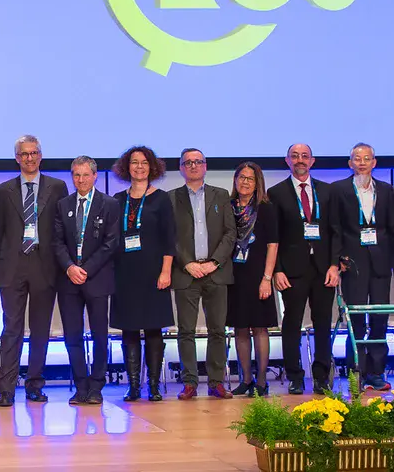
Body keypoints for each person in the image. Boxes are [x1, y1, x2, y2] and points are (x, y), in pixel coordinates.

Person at [0, 135, 69, 407]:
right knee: (11, 330)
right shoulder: (3, 191)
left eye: (34, 153)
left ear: (40, 155)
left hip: (44, 266)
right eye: (24, 154)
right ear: (17, 158)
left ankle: (35, 384)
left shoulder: (57, 187)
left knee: (40, 330)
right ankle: (7, 389)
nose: (29, 158)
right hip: (12, 268)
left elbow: (62, 230)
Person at [330, 143, 394, 392]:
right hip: (353, 264)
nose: (362, 163)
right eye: (357, 159)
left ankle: (377, 372)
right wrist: (338, 259)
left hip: (381, 263)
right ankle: (356, 372)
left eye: (366, 159)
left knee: (380, 319)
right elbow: (335, 229)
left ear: (374, 163)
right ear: (350, 163)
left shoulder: (386, 190)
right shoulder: (338, 190)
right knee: (356, 320)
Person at [268, 144, 338, 395]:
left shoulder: (327, 191)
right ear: (287, 160)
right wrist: (276, 269)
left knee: (322, 323)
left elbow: (335, 231)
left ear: (313, 161)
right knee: (292, 323)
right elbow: (272, 235)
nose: (300, 160)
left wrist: (334, 265)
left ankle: (321, 376)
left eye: (305, 156)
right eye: (295, 156)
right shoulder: (275, 193)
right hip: (291, 269)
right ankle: (295, 376)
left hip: (323, 269)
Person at [52, 156, 121, 405]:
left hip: (98, 279)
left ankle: (97, 386)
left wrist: (87, 269)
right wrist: (70, 268)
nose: (80, 180)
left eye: (85, 175)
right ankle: (80, 386)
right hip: (69, 281)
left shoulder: (109, 204)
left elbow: (111, 242)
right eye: (76, 175)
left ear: (94, 176)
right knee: (72, 336)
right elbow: (56, 241)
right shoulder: (63, 205)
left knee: (100, 335)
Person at [170, 148, 237, 400]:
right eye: (188, 163)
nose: (193, 166)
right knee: (185, 330)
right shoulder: (171, 198)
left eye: (198, 162)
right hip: (186, 272)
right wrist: (187, 263)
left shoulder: (220, 196)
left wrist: (214, 262)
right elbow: (171, 237)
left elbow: (230, 233)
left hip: (215, 272)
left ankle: (216, 382)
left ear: (205, 166)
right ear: (181, 168)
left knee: (217, 330)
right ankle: (189, 382)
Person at [112, 146, 175, 402]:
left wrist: (166, 271)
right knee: (128, 329)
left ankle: (154, 386)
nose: (139, 167)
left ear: (152, 167)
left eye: (144, 162)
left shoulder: (161, 199)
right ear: (127, 167)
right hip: (124, 274)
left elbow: (170, 239)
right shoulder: (117, 199)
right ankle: (134, 386)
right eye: (134, 162)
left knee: (153, 330)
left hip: (153, 273)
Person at [224, 162, 278, 398]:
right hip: (234, 274)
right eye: (241, 178)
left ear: (258, 183)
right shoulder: (227, 207)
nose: (245, 182)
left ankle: (262, 380)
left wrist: (267, 278)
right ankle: (246, 379)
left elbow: (273, 245)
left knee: (259, 327)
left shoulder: (266, 208)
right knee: (240, 328)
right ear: (235, 181)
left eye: (250, 179)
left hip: (258, 274)